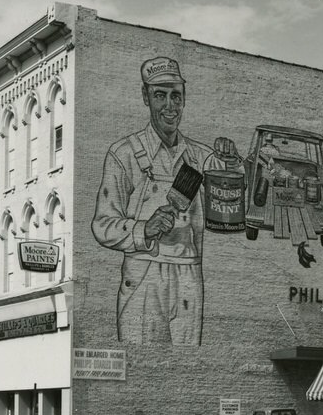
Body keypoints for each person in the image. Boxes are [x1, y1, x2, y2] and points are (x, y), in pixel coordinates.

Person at [91, 56, 237, 345]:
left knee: (187, 366)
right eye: (160, 95)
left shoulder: (202, 156)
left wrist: (232, 162)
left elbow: (234, 198)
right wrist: (143, 228)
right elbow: (102, 225)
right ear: (145, 97)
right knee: (140, 365)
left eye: (176, 96)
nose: (170, 106)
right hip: (143, 271)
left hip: (189, 276)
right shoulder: (124, 154)